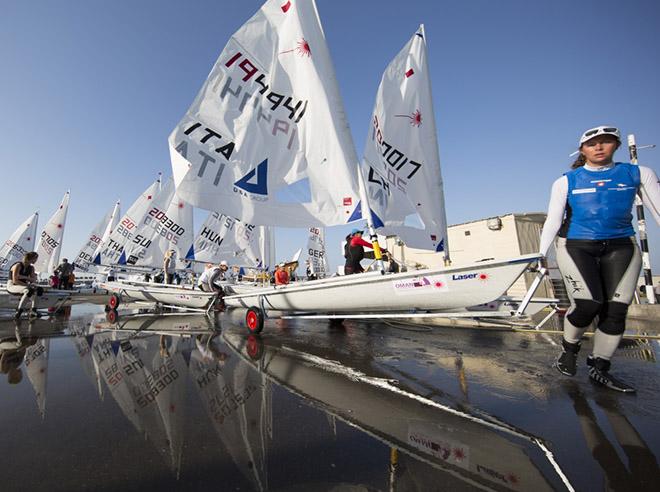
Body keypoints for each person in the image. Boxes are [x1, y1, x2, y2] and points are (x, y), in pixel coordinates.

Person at [539, 125, 660, 393]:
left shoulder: (637, 173)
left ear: (615, 146)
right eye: (593, 144)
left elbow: (657, 208)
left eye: (606, 142)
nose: (599, 147)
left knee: (616, 310)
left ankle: (600, 367)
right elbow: (553, 220)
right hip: (576, 245)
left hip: (621, 245)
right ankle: (569, 350)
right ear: (582, 150)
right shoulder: (566, 181)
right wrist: (541, 255)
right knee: (588, 303)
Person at [6, 252, 43, 319]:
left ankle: (33, 310)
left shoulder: (31, 268)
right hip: (12, 285)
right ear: (31, 258)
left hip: (23, 285)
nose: (36, 261)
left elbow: (33, 280)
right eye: (35, 259)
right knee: (29, 290)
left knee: (39, 289)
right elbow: (15, 281)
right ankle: (19, 311)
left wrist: (24, 277)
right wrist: (28, 282)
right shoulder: (18, 265)